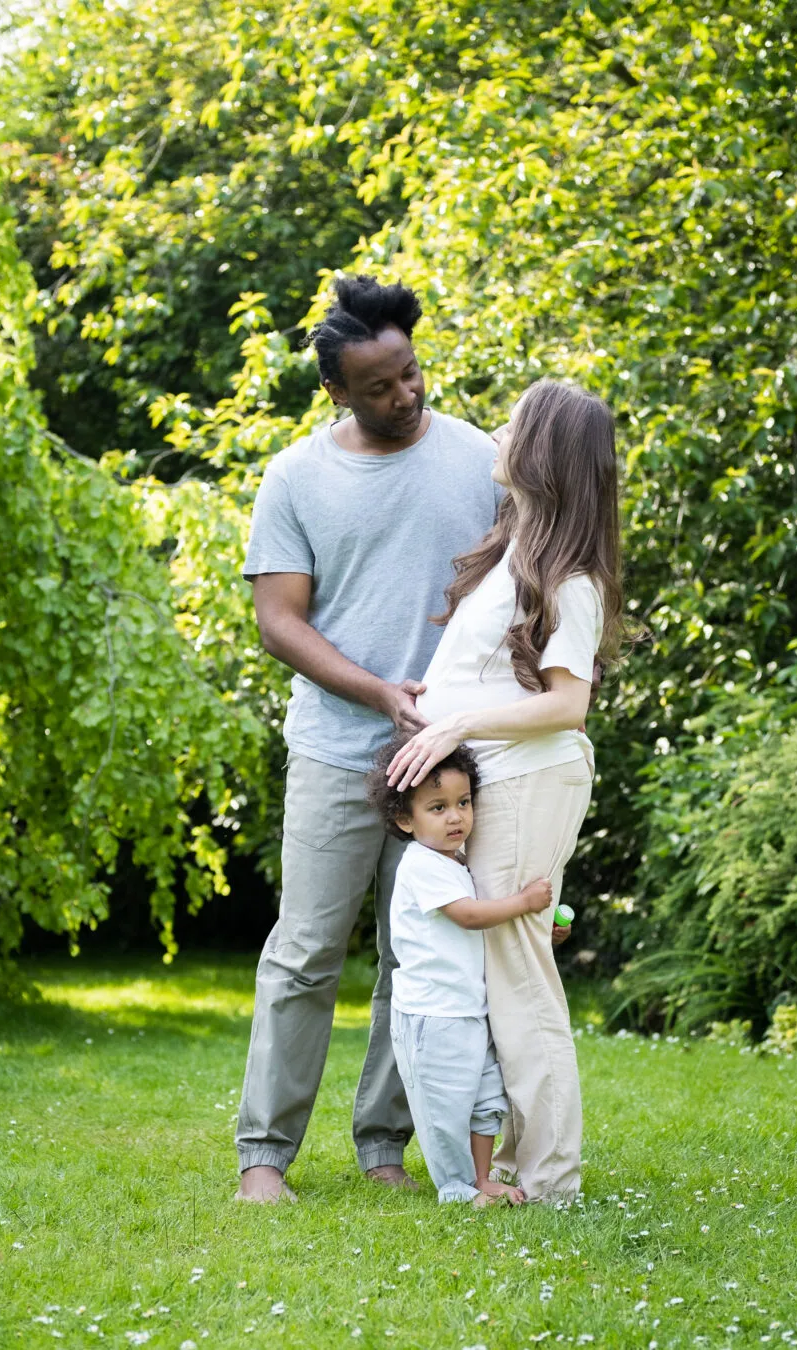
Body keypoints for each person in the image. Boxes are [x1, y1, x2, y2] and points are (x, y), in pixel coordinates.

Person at [235, 276, 503, 1202]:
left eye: (411, 373)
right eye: (380, 387)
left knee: (417, 956)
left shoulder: (481, 459)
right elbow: (279, 621)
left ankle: (386, 1144)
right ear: (335, 391)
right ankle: (264, 1156)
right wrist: (381, 693)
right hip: (336, 748)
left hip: (445, 762)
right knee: (306, 950)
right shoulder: (295, 477)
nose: (405, 395)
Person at [387, 377, 625, 1203]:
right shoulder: (518, 553)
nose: (496, 433)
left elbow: (567, 705)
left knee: (520, 977)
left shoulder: (571, 578)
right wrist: (435, 709)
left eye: (513, 424)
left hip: (530, 781)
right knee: (506, 976)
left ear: (543, 451)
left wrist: (456, 725)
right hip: (506, 779)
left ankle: (551, 1183)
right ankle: (521, 1169)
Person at [366, 736, 553, 1206]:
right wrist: (524, 902)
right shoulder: (421, 865)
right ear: (405, 819)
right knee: (445, 1110)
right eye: (438, 807)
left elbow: (483, 930)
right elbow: (469, 917)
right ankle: (455, 1188)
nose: (456, 817)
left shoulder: (460, 865)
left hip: (468, 1009)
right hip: (432, 1017)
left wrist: (542, 931)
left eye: (463, 802)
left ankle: (481, 1179)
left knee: (486, 1099)